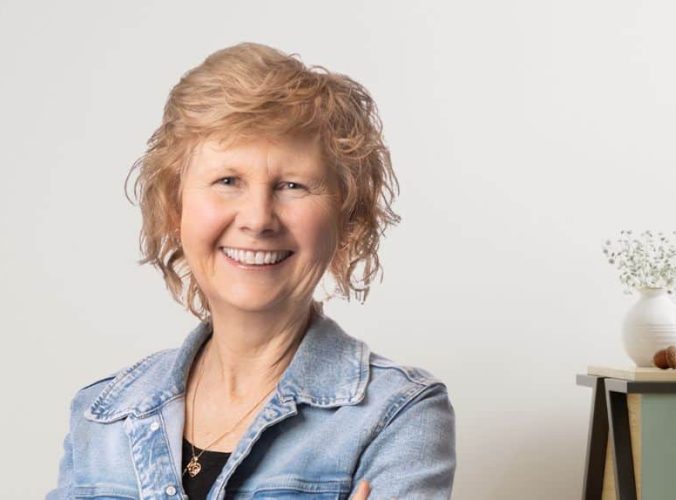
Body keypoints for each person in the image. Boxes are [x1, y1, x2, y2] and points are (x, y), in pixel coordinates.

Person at [47, 42, 456, 499]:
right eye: (228, 181)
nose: (258, 218)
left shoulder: (397, 413)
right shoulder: (104, 414)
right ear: (175, 205)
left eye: (292, 185)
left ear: (345, 216)